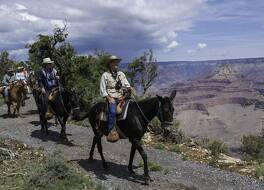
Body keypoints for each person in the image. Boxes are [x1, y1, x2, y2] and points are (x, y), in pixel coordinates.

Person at [100, 55, 131, 140]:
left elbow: (127, 84)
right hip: (111, 97)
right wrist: (109, 98)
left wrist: (128, 89)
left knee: (133, 107)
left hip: (122, 97)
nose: (117, 63)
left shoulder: (121, 74)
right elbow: (102, 89)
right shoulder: (105, 75)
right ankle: (111, 131)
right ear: (110, 64)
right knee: (113, 111)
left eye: (117, 62)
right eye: (114, 62)